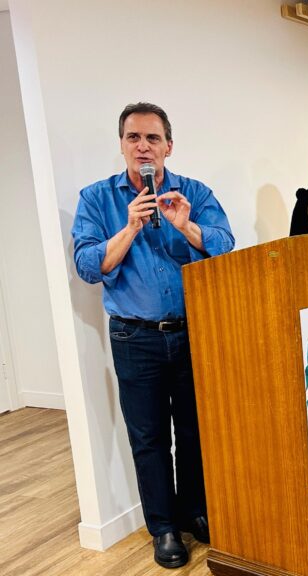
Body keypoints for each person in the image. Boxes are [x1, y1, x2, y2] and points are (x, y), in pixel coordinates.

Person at [71, 103, 234, 569]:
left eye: (153, 138)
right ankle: (163, 528)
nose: (143, 146)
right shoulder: (97, 199)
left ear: (168, 145)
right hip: (134, 338)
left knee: (195, 429)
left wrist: (186, 225)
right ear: (122, 144)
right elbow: (88, 266)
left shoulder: (194, 192)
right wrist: (130, 227)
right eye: (134, 137)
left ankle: (196, 511)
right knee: (149, 438)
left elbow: (224, 245)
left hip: (192, 333)